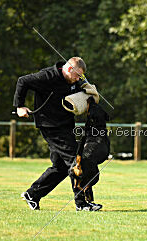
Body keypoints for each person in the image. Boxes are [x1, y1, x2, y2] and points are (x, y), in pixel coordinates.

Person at [13, 57, 102, 211]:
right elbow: (22, 81)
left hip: (66, 125)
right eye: (76, 76)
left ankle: (32, 194)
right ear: (68, 69)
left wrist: (89, 92)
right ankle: (82, 204)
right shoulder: (46, 77)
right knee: (77, 162)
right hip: (50, 126)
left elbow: (85, 88)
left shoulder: (76, 78)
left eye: (80, 77)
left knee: (61, 167)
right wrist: (19, 106)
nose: (78, 79)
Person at [71, 96, 110, 205]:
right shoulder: (99, 113)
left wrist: (78, 157)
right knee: (91, 172)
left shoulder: (91, 119)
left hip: (93, 149)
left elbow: (82, 141)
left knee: (85, 170)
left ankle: (82, 189)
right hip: (102, 149)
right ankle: (86, 190)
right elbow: (107, 117)